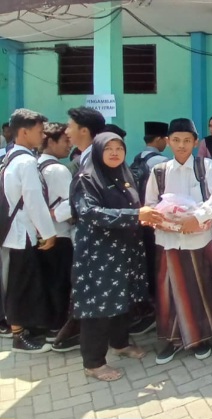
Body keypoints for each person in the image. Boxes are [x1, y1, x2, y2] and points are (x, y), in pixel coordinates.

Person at [70, 132, 163, 381]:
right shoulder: (87, 178)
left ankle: (120, 343)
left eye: (119, 148)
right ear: (97, 151)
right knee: (99, 306)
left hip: (125, 252)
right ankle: (93, 362)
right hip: (98, 255)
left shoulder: (125, 175)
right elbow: (90, 212)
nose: (114, 153)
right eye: (108, 148)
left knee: (123, 299)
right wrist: (135, 216)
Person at [145, 118, 212, 365]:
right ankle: (171, 341)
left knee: (199, 289)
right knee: (168, 292)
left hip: (197, 242)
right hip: (168, 242)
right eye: (176, 140)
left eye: (187, 141)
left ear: (195, 142)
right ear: (168, 141)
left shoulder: (205, 166)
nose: (181, 145)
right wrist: (164, 220)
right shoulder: (159, 171)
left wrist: (198, 217)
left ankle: (200, 339)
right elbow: (150, 205)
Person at [1, 109, 57, 353]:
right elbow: (34, 200)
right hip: (20, 232)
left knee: (19, 282)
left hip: (13, 231)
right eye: (39, 131)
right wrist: (48, 232)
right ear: (24, 132)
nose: (43, 136)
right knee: (19, 285)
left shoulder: (10, 157)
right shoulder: (26, 162)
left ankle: (25, 329)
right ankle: (19, 336)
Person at [53, 106, 106, 352]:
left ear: (84, 130)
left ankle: (91, 350)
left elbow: (83, 200)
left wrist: (56, 214)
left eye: (70, 126)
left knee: (89, 291)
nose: (67, 131)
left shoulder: (94, 161)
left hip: (94, 236)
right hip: (88, 234)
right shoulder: (86, 158)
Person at [128, 121, 170, 336]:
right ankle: (159, 309)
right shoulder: (162, 162)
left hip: (141, 219)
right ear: (161, 139)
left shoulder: (136, 159)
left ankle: (148, 306)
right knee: (160, 264)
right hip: (159, 221)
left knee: (147, 263)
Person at [36, 122, 75, 342]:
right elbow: (71, 204)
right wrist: (53, 214)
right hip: (59, 234)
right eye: (65, 141)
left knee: (47, 282)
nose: (69, 145)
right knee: (60, 283)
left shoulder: (35, 165)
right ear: (51, 141)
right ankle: (59, 329)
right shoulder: (58, 169)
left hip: (39, 234)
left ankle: (49, 326)